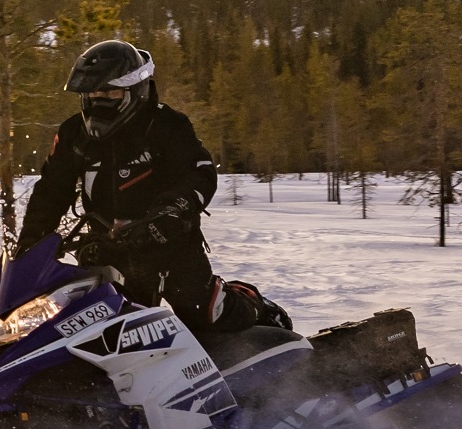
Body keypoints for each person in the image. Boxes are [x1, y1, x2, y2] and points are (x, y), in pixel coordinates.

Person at [17, 39, 279, 334]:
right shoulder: (73, 135)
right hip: (106, 249)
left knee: (204, 315)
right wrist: (28, 248)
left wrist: (172, 209)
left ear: (134, 91)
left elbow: (200, 173)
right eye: (93, 93)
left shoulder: (167, 125)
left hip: (169, 242)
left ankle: (253, 303)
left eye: (110, 92)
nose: (99, 100)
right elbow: (51, 191)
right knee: (98, 328)